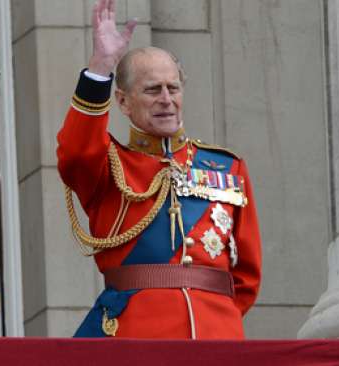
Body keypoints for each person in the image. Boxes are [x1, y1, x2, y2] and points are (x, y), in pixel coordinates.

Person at [57, 0, 261, 339]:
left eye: (173, 88)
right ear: (123, 101)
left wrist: (218, 321)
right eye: (152, 90)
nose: (166, 99)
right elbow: (75, 152)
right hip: (137, 338)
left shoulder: (229, 167)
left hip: (216, 335)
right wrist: (101, 67)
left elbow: (247, 277)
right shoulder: (108, 167)